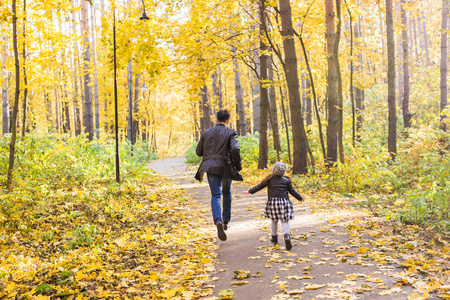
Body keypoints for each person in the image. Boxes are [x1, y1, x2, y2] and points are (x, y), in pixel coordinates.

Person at [195, 109, 242, 241]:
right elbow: (235, 149)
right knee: (226, 193)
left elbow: (198, 152)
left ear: (216, 120)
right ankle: (226, 221)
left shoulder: (206, 133)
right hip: (225, 167)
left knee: (216, 194)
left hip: (210, 167)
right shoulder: (231, 132)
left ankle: (217, 221)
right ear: (228, 120)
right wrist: (238, 166)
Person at [244, 162, 303, 250]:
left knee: (274, 221)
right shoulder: (286, 181)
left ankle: (274, 238)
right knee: (284, 221)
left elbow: (259, 186)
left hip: (273, 203)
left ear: (273, 170)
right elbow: (292, 191)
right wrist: (300, 198)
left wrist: (250, 191)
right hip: (284, 203)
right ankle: (287, 236)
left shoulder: (269, 180)